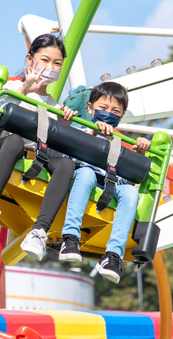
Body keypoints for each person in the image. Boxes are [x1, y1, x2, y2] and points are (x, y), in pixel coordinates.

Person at [0, 33, 77, 261]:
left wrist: (65, 122)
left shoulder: (55, 106)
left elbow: (58, 143)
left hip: (38, 154)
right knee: (16, 140)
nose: (51, 67)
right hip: (10, 144)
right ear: (30, 61)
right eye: (45, 60)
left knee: (67, 165)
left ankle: (39, 231)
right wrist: (25, 90)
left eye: (57, 63)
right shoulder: (12, 86)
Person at [58, 81, 151, 283]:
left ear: (121, 116)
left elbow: (129, 174)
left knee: (130, 192)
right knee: (86, 174)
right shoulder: (82, 132)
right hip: (84, 179)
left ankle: (113, 255)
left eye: (115, 111)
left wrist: (141, 152)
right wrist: (93, 132)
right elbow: (64, 148)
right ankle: (70, 238)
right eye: (103, 108)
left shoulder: (119, 143)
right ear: (90, 109)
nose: (108, 114)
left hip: (110, 184)